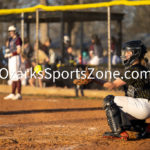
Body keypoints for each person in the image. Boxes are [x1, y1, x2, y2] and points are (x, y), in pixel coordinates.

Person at [74, 40, 150, 140]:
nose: (125, 55)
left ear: (135, 53)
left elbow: (112, 85)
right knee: (121, 116)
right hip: (144, 106)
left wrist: (94, 79)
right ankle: (146, 128)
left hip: (142, 106)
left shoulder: (134, 70)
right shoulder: (143, 68)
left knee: (109, 101)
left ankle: (118, 132)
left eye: (128, 52)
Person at [4, 25, 22, 100]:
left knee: (16, 75)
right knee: (12, 75)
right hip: (11, 58)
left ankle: (19, 94)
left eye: (12, 31)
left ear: (15, 31)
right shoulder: (10, 39)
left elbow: (18, 51)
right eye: (10, 31)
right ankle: (12, 93)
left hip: (16, 58)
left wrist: (10, 54)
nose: (11, 33)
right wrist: (7, 51)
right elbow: (7, 45)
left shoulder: (18, 39)